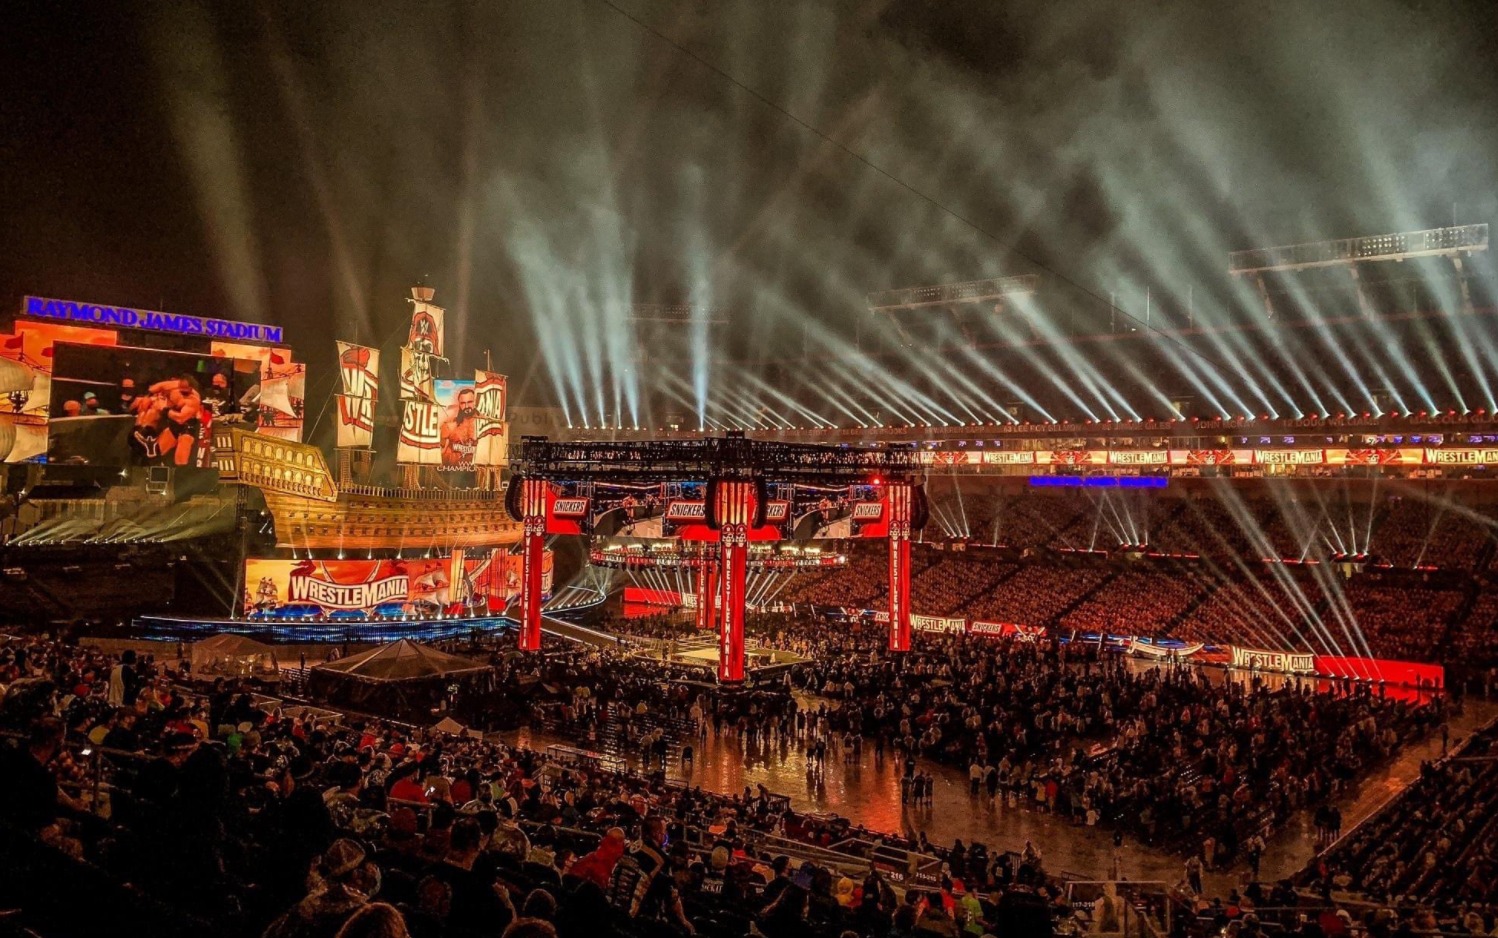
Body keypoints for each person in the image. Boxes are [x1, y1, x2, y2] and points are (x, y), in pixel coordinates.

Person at [439, 386, 477, 468]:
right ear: (459, 404)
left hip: (477, 470)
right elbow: (441, 454)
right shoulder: (450, 426)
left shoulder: (483, 426)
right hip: (454, 470)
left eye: (470, 402)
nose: (466, 406)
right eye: (463, 403)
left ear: (475, 402)